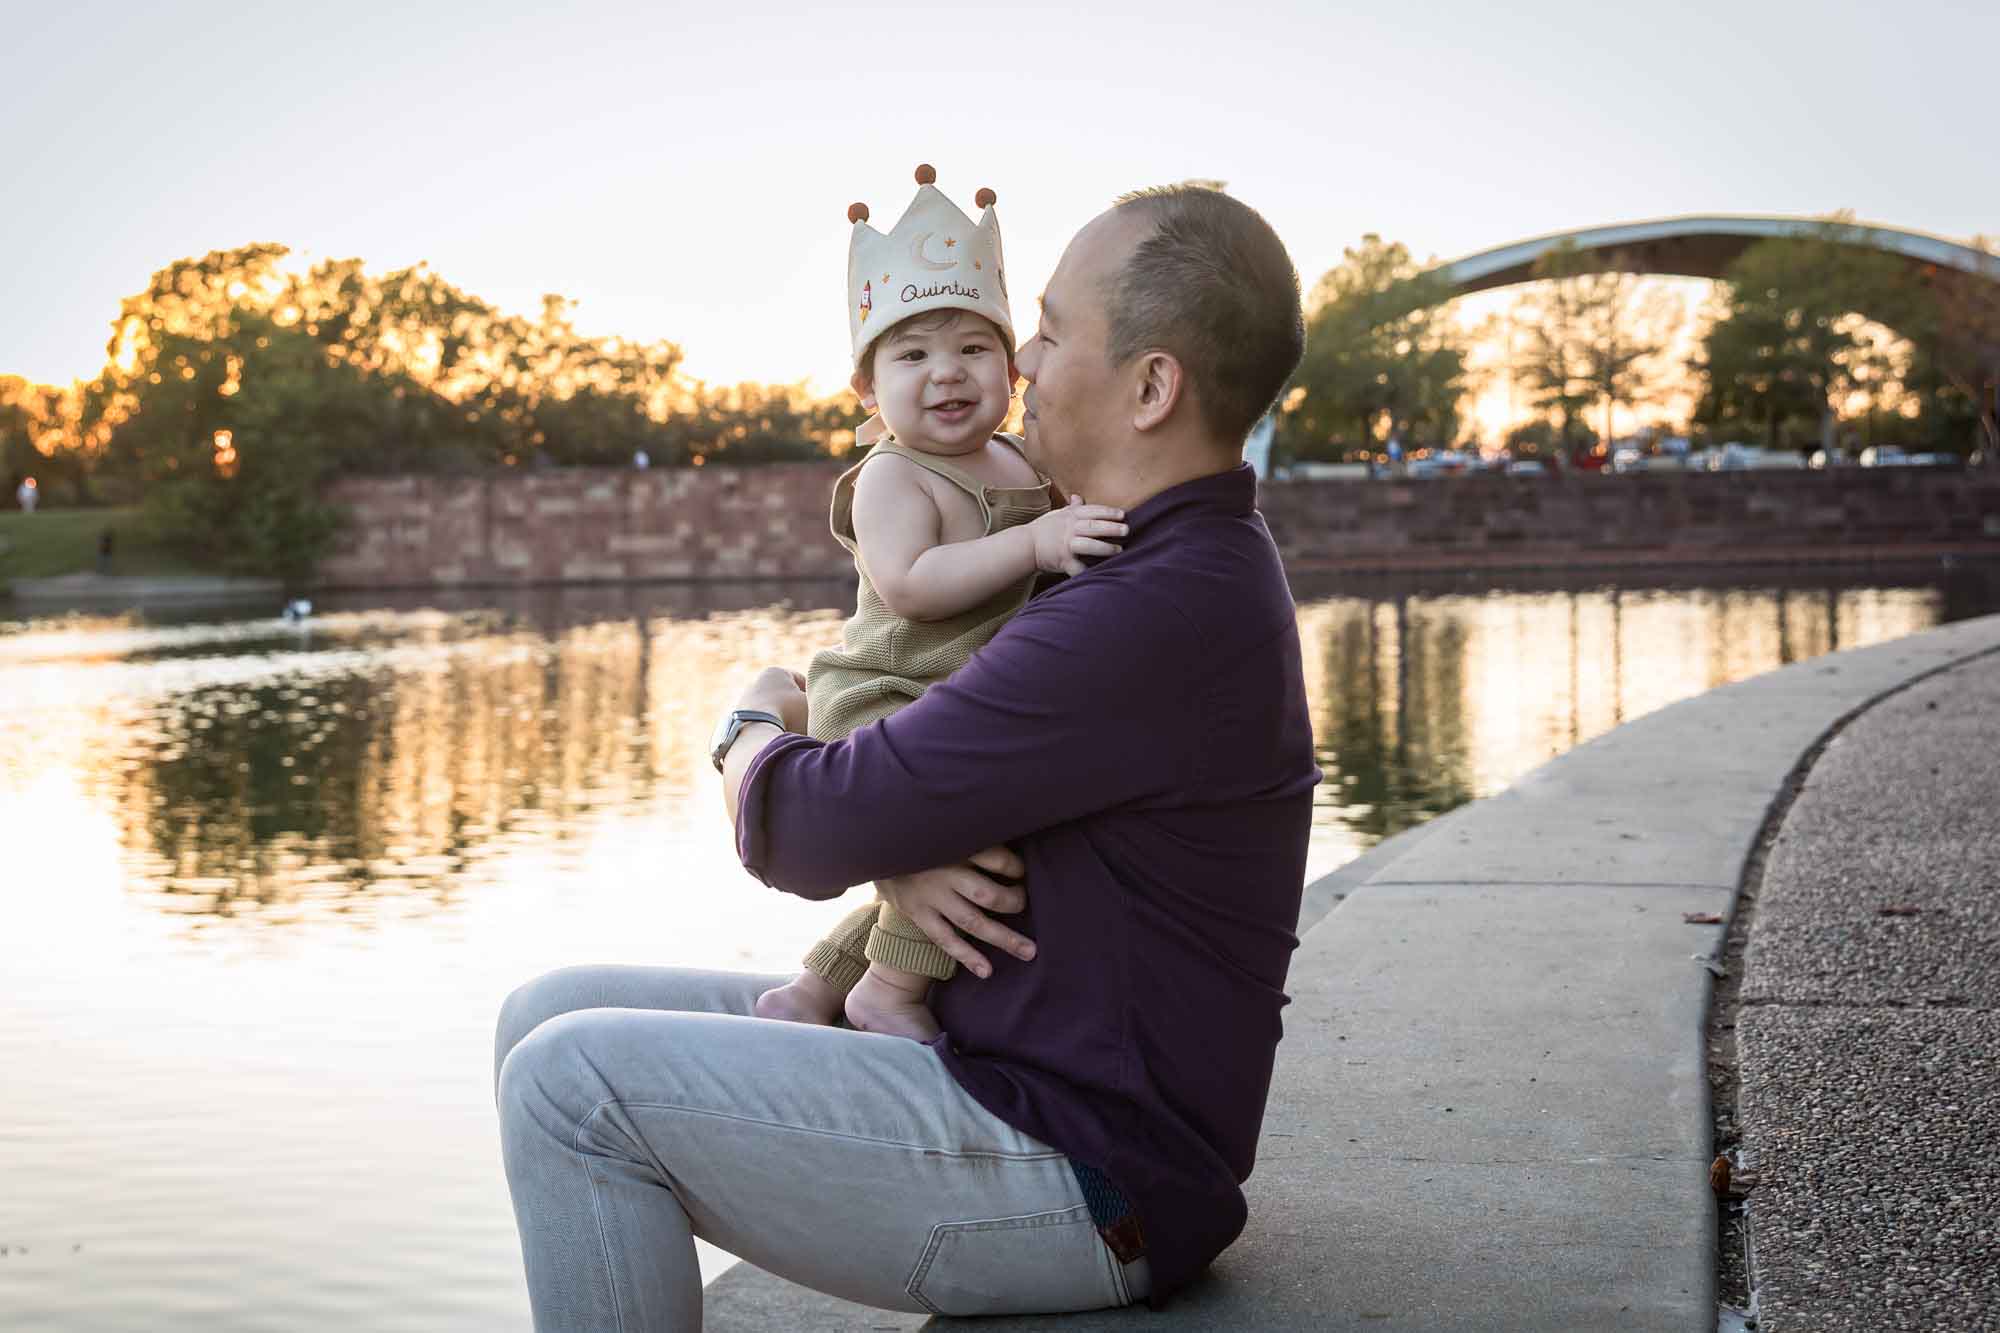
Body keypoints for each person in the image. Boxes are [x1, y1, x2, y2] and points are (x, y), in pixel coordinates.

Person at [495, 183, 1317, 1329]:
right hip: (1012, 1062)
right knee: (546, 1011)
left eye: (1047, 327)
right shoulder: (1155, 565)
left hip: (1086, 1169)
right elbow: (924, 791)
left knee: (564, 1084)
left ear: (1149, 386)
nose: (1021, 359)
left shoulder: (1145, 611)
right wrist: (904, 848)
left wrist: (747, 722)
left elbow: (808, 827)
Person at [753, 165, 1127, 1041]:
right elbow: (911, 586)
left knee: (940, 874)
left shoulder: (1020, 462)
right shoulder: (892, 475)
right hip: (886, 693)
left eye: (971, 348)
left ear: (1010, 364)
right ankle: (890, 993)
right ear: (866, 390)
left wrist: (1067, 521)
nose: (946, 373)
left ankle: (814, 990)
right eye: (912, 355)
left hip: (951, 699)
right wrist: (1035, 543)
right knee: (972, 855)